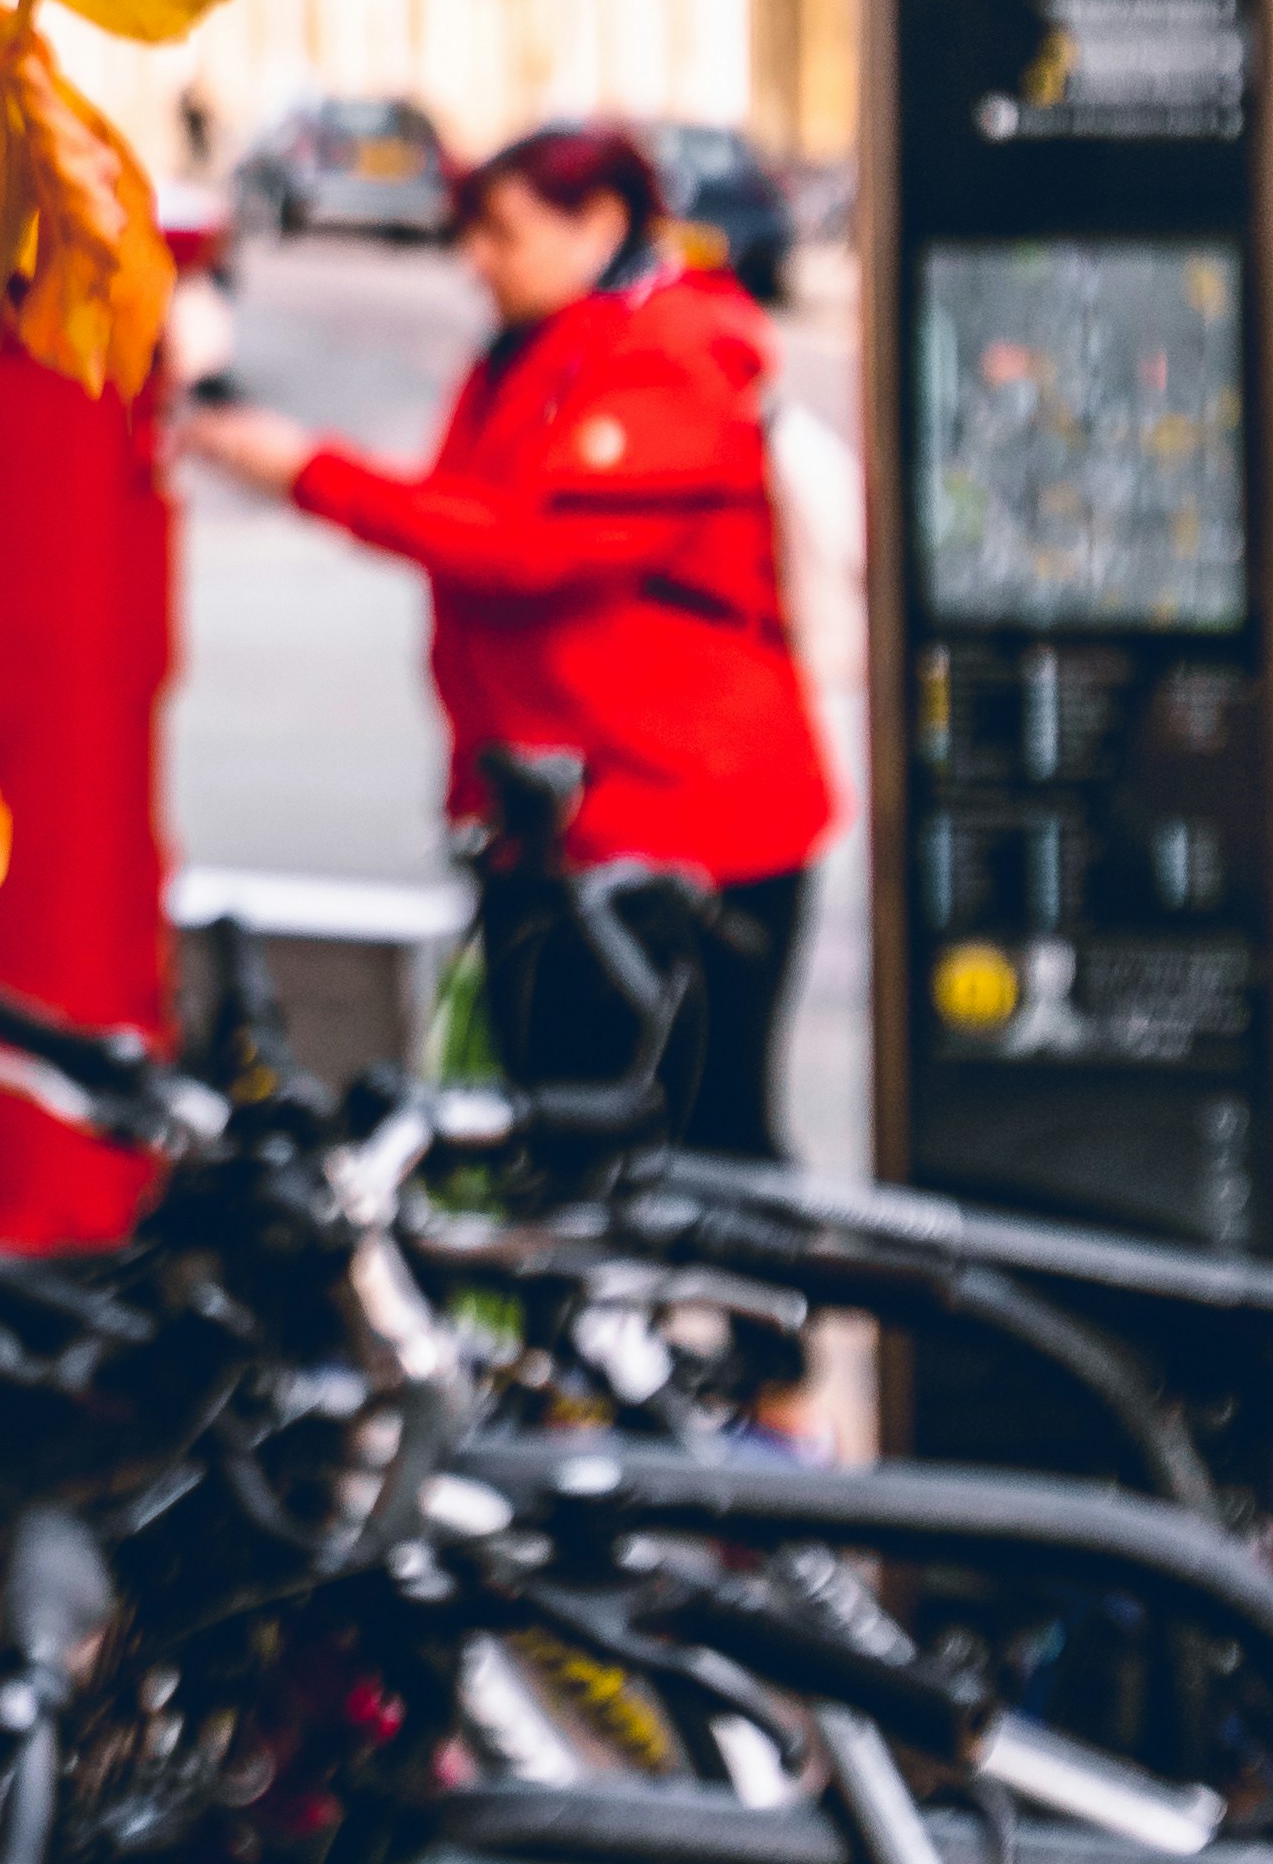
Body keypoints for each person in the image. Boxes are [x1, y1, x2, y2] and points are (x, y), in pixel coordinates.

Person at [181, 121, 837, 1161]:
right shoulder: (536, 347)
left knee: (704, 1141)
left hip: (682, 824)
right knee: (572, 1137)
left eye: (500, 235)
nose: (473, 262)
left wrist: (306, 471)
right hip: (567, 817)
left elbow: (526, 550)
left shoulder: (666, 353)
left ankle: (761, 1329)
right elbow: (465, 518)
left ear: (600, 225)